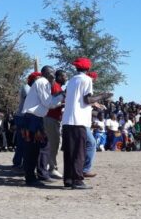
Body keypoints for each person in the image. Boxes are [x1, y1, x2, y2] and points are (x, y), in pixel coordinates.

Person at [62, 57, 109, 189]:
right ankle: (77, 180)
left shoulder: (71, 80)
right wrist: (103, 96)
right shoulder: (87, 80)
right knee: (79, 152)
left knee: (69, 152)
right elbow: (87, 99)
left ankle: (68, 180)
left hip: (67, 120)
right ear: (88, 68)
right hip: (79, 121)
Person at [22, 66, 64, 186]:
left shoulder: (44, 83)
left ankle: (41, 174)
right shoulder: (43, 82)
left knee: (42, 147)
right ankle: (30, 178)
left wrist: (59, 98)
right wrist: (61, 96)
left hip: (36, 118)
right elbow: (48, 103)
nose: (53, 75)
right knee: (33, 149)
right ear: (46, 73)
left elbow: (48, 102)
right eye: (52, 73)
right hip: (33, 119)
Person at [42, 69, 67, 179]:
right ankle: (51, 168)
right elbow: (50, 101)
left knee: (55, 144)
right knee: (54, 144)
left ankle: (49, 166)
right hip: (51, 118)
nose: (66, 78)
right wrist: (62, 102)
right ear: (59, 77)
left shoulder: (58, 87)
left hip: (54, 119)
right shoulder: (54, 86)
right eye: (64, 76)